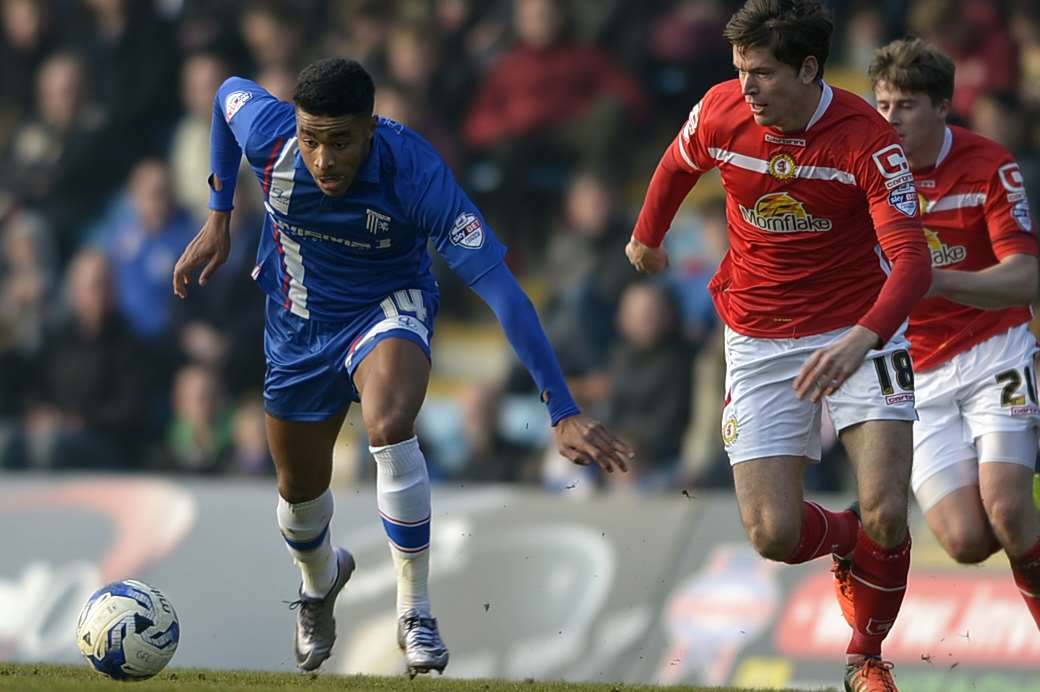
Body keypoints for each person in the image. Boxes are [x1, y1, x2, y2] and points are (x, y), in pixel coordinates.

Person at [171, 57, 631, 677]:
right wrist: (218, 213)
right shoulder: (270, 133)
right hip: (297, 326)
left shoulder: (415, 172)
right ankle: (319, 585)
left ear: (370, 128)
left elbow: (506, 295)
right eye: (311, 141)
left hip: (388, 308)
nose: (322, 160)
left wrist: (562, 408)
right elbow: (226, 95)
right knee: (298, 496)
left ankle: (415, 612)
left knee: (389, 423)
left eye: (339, 143)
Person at [625, 2, 931, 689]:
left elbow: (912, 264)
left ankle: (865, 658)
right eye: (739, 71)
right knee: (772, 533)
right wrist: (648, 235)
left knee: (886, 508)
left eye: (761, 72)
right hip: (759, 337)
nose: (747, 87)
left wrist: (862, 338)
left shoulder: (866, 139)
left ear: (809, 68)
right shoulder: (721, 110)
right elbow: (677, 165)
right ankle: (848, 543)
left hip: (860, 326)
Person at [870, 38, 1040, 628]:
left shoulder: (990, 164)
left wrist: (934, 280)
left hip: (997, 350)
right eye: (883, 103)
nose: (890, 118)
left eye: (906, 105)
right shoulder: (864, 176)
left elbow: (1025, 277)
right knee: (968, 540)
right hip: (918, 375)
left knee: (1010, 511)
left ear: (943, 106)